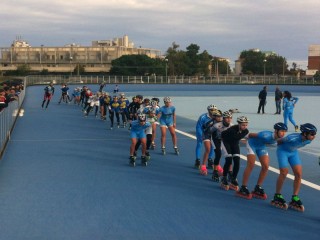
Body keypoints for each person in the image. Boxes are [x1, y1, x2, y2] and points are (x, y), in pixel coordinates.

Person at [271, 123, 317, 211]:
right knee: (284, 173)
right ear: (304, 133)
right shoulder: (291, 138)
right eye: (312, 134)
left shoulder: (309, 140)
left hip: (293, 153)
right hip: (283, 152)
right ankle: (277, 194)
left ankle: (295, 197)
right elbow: (279, 141)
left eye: (314, 134)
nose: (314, 136)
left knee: (299, 174)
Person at [237, 122, 288, 199]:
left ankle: (258, 187)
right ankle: (243, 187)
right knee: (251, 164)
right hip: (252, 144)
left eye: (285, 131)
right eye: (282, 131)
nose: (283, 133)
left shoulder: (280, 138)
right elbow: (249, 135)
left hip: (261, 147)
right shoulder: (265, 135)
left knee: (265, 167)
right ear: (276, 131)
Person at [220, 116, 250, 191]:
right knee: (229, 160)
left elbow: (238, 138)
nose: (245, 127)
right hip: (226, 142)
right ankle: (224, 177)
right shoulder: (232, 129)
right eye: (243, 125)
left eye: (246, 125)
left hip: (234, 143)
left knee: (237, 161)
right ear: (239, 124)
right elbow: (237, 137)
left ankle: (233, 178)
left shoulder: (246, 130)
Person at [211, 110, 234, 182]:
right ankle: (215, 171)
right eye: (227, 118)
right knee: (218, 154)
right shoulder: (217, 125)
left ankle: (230, 172)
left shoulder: (232, 126)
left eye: (230, 118)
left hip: (225, 140)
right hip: (216, 139)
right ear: (223, 118)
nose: (229, 119)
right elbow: (209, 132)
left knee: (229, 155)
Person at [194, 104, 218, 169]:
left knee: (213, 146)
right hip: (203, 132)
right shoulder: (203, 117)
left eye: (215, 110)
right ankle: (198, 160)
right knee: (199, 144)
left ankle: (210, 159)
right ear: (208, 110)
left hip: (211, 133)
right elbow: (198, 127)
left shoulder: (217, 117)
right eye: (211, 110)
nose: (213, 111)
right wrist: (200, 135)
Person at [199, 109, 222, 175]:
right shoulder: (210, 123)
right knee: (208, 149)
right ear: (214, 117)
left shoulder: (222, 122)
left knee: (218, 151)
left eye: (221, 116)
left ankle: (217, 165)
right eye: (218, 117)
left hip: (215, 137)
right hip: (207, 136)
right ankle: (203, 166)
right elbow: (204, 128)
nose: (220, 118)